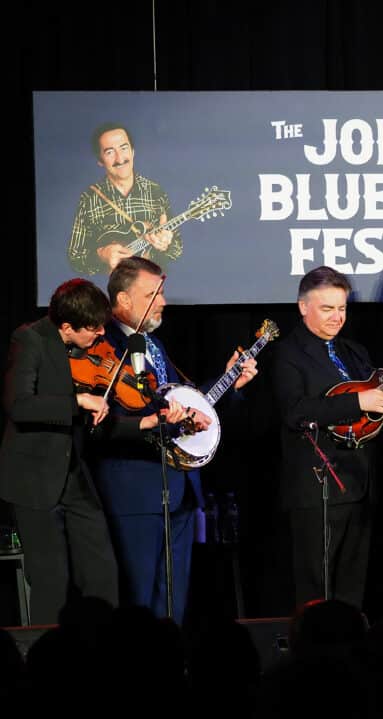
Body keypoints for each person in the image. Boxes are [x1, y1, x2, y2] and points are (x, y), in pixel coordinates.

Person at [0, 279, 190, 624]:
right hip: (35, 479)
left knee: (103, 574)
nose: (101, 334)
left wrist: (145, 423)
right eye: (92, 328)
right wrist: (77, 401)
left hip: (75, 475)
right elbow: (19, 405)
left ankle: (102, 657)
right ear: (67, 327)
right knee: (51, 583)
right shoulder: (30, 340)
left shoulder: (89, 351)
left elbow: (99, 426)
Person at [90, 256, 257, 623]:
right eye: (153, 294)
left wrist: (229, 384)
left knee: (173, 601)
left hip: (176, 490)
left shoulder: (154, 345)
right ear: (122, 301)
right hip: (135, 490)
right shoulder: (104, 346)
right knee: (138, 602)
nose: (163, 301)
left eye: (161, 292)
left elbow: (185, 403)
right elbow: (118, 415)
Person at [272, 266, 383, 610]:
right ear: (302, 306)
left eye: (341, 308)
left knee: (352, 589)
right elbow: (296, 412)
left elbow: (376, 414)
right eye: (327, 308)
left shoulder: (353, 351)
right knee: (317, 589)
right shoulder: (288, 354)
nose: (336, 317)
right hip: (317, 488)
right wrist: (358, 400)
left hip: (358, 483)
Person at [67, 122, 182, 277]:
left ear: (133, 152)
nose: (120, 158)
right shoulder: (89, 199)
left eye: (124, 148)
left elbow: (177, 249)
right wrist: (101, 254)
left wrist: (166, 244)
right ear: (100, 160)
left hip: (152, 287)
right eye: (109, 152)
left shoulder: (155, 192)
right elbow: (75, 258)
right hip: (111, 290)